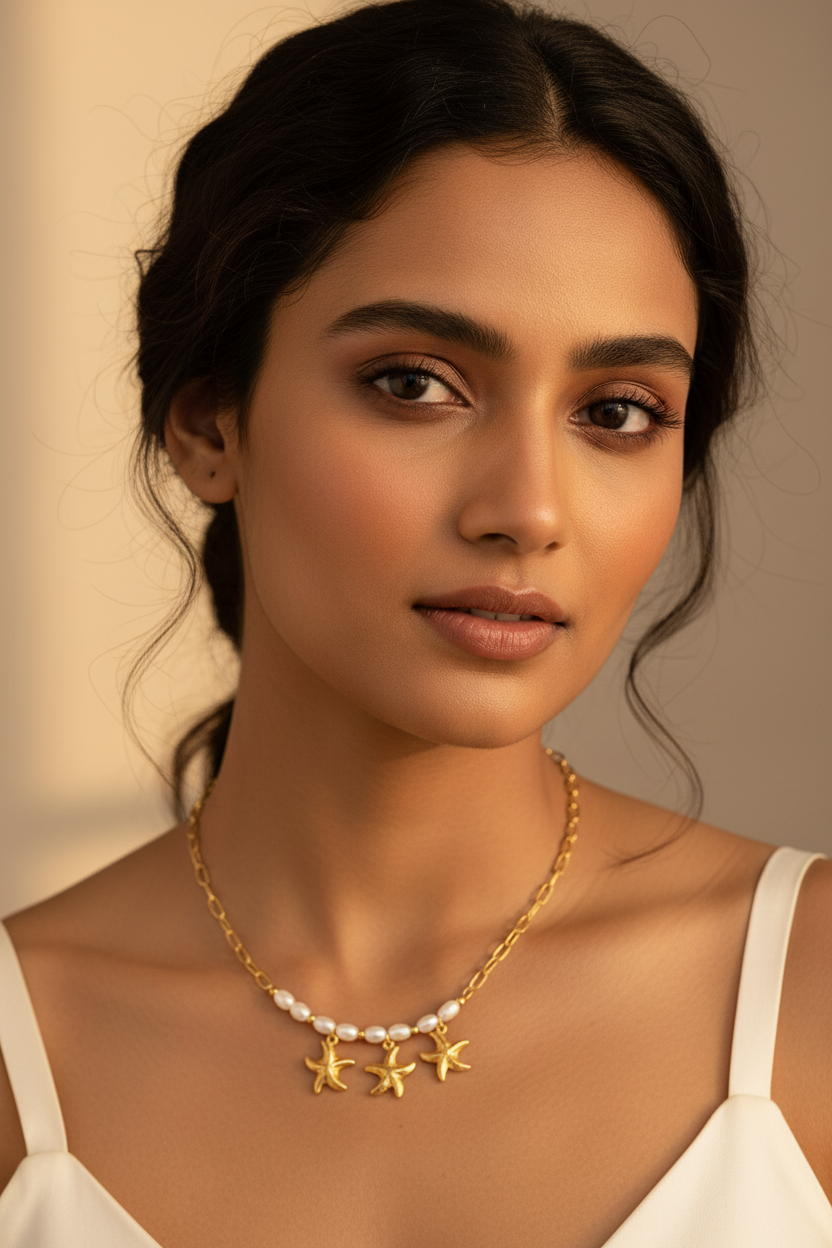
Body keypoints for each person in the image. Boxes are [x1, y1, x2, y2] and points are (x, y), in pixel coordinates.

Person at [0, 0, 829, 1243]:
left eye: (616, 411)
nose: (529, 511)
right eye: (414, 385)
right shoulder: (21, 1054)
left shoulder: (808, 999)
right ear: (209, 422)